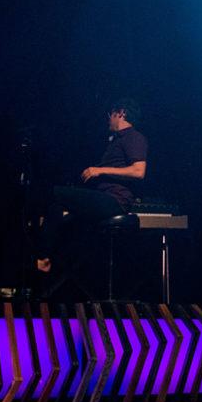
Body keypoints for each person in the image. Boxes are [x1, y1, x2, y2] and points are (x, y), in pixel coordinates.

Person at [36, 98, 148, 279]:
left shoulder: (134, 137)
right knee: (54, 208)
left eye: (110, 115)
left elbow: (138, 171)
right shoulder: (115, 141)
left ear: (121, 113)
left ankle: (43, 256)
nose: (108, 119)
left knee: (52, 192)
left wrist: (99, 170)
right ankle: (44, 259)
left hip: (115, 201)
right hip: (103, 197)